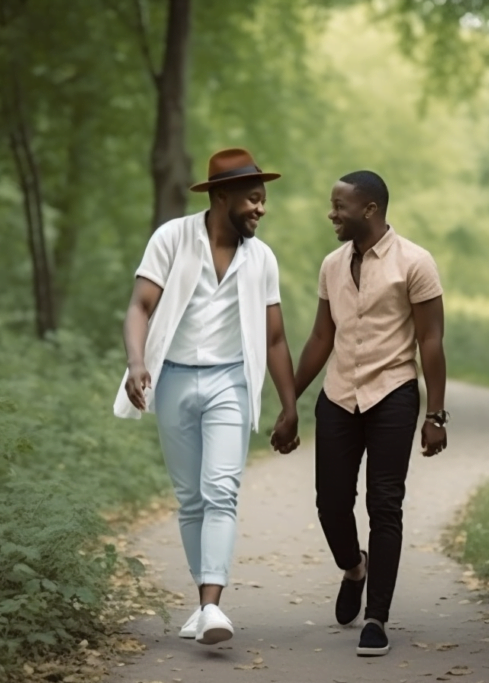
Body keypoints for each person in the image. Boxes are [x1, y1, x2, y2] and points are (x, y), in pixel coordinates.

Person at [113, 148, 300, 646]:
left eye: (263, 200)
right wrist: (137, 362)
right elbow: (140, 307)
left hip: (230, 383)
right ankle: (204, 604)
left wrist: (290, 404)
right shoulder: (172, 238)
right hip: (172, 378)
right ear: (221, 197)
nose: (261, 209)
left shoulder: (261, 258)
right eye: (253, 200)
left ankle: (212, 607)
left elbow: (275, 338)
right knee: (191, 499)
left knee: (221, 491)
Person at [292, 170, 449, 656]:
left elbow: (431, 341)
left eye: (339, 206)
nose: (332, 214)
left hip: (393, 394)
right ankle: (354, 567)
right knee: (331, 502)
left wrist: (435, 415)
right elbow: (321, 338)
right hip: (339, 395)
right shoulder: (332, 265)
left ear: (370, 210)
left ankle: (377, 618)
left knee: (385, 505)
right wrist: (288, 401)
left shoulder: (416, 263)